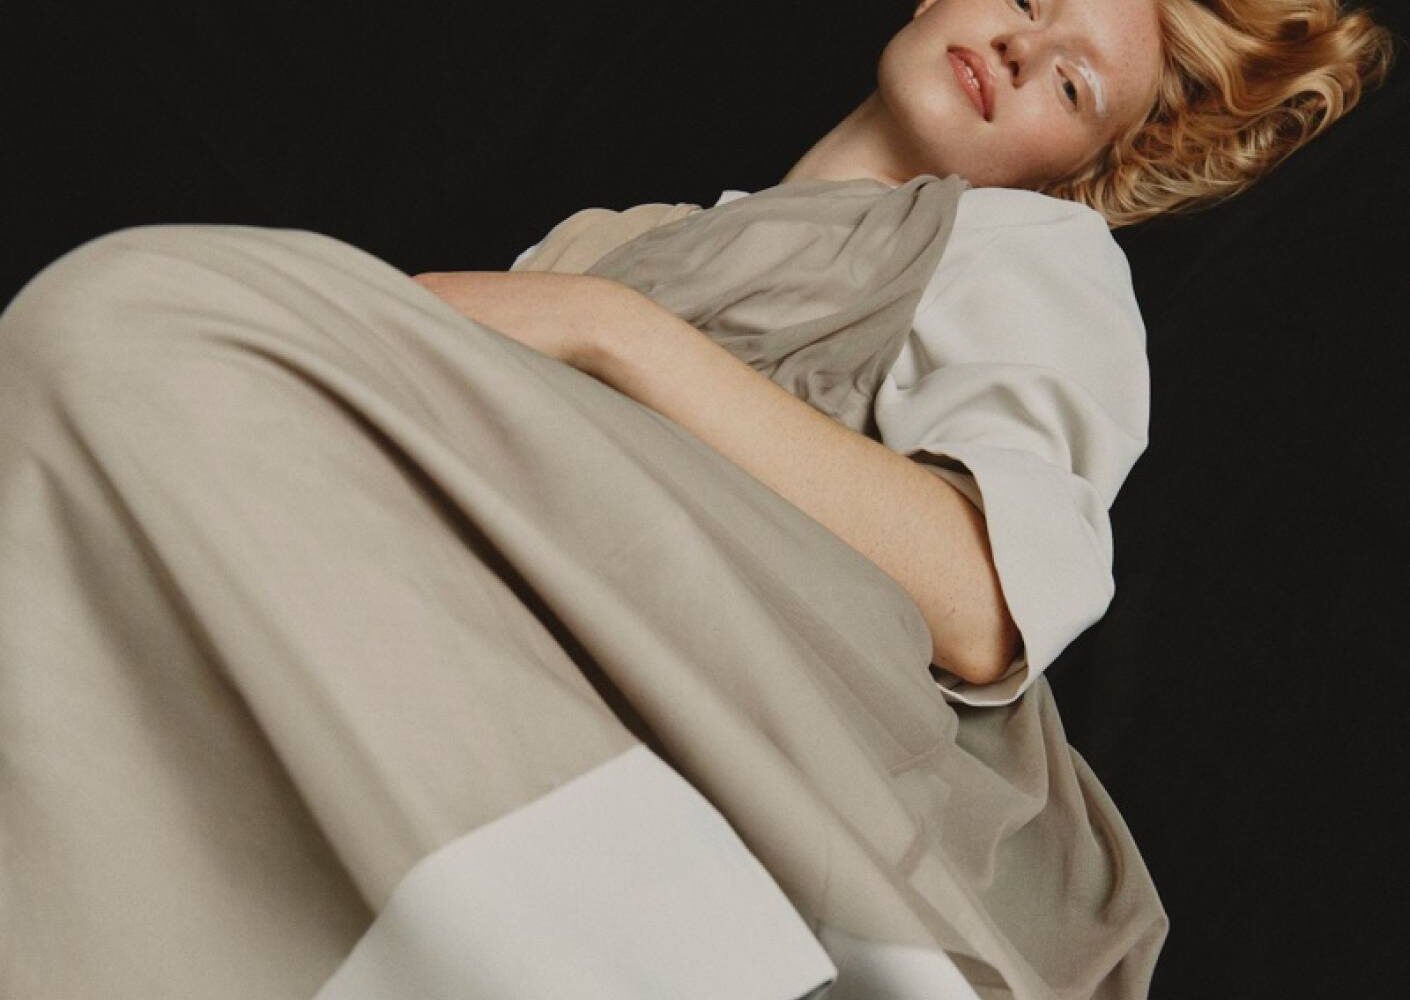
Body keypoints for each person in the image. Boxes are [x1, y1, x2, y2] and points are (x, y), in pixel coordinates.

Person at [0, 2, 1395, 999]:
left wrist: (611, 335)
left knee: (136, 314)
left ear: (1081, 168)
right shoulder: (621, 243)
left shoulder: (1024, 250)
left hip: (748, 736)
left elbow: (986, 603)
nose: (1023, 45)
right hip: (474, 664)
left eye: (1072, 84)